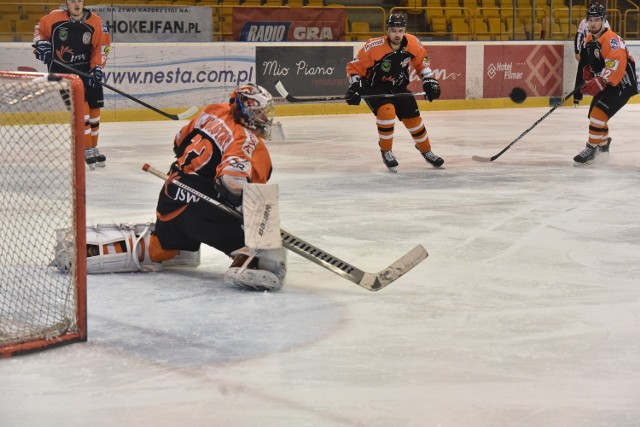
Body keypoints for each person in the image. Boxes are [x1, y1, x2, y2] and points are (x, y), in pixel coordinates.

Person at [51, 84, 288, 292]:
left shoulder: (214, 111)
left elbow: (178, 142)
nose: (264, 119)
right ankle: (253, 262)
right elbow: (232, 182)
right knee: (260, 216)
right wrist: (250, 215)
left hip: (170, 197)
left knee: (161, 248)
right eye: (258, 112)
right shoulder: (246, 140)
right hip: (200, 209)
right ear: (245, 111)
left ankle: (87, 250)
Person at [345, 12, 444, 172]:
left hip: (398, 87)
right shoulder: (373, 46)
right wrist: (354, 86)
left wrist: (428, 79)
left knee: (413, 119)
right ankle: (386, 150)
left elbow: (422, 61)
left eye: (400, 30)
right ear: (387, 31)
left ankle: (426, 150)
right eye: (393, 30)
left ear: (404, 31)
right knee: (387, 112)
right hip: (374, 87)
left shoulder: (413, 43)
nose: (397, 34)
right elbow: (354, 67)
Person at [32, 0, 111, 170]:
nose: (77, 4)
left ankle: (93, 148)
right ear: (67, 3)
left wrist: (97, 67)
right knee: (82, 112)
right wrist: (41, 45)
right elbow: (39, 30)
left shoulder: (96, 21)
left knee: (95, 112)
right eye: (73, 0)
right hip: (65, 74)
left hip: (87, 71)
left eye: (80, 0)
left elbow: (103, 46)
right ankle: (87, 149)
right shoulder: (54, 18)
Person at [572, 2, 637, 166]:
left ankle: (590, 149)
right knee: (595, 115)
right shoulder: (588, 39)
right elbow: (592, 62)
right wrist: (589, 71)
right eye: (590, 19)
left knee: (598, 114)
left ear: (603, 21)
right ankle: (603, 144)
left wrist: (601, 80)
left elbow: (616, 63)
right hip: (608, 81)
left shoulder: (612, 40)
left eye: (596, 19)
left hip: (622, 83)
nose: (593, 23)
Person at [573, 13, 609, 106]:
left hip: (598, 49)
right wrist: (577, 51)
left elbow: (608, 37)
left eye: (596, 19)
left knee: (599, 73)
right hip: (586, 50)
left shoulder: (605, 22)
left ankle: (601, 96)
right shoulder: (584, 21)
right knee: (582, 73)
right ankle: (577, 97)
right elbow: (579, 36)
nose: (593, 22)